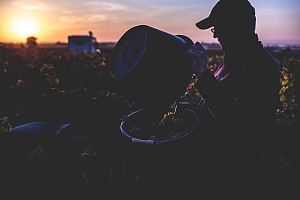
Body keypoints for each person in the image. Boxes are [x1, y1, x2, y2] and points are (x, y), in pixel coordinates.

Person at [184, 0, 280, 198]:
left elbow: (239, 122)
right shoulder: (231, 59)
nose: (216, 35)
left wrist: (203, 74)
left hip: (232, 181)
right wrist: (193, 108)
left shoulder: (261, 66)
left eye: (218, 28)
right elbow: (219, 102)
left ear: (238, 27)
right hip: (209, 170)